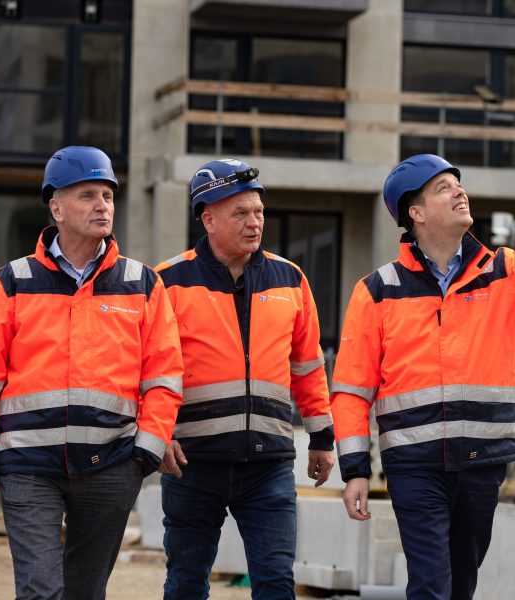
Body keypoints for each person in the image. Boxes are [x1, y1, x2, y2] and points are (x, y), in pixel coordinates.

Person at [331, 145, 515, 599]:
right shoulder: (377, 292)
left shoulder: (504, 273)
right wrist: (355, 469)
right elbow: (352, 391)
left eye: (458, 185)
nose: (460, 193)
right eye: (443, 188)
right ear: (414, 212)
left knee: (460, 587)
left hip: (482, 462)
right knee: (432, 585)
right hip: (414, 466)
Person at [0, 146, 184, 599]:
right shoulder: (11, 282)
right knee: (40, 590)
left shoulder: (142, 283)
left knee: (87, 592)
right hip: (28, 467)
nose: (102, 205)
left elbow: (164, 376)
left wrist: (143, 455)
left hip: (111, 466)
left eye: (107, 195)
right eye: (87, 195)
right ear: (56, 207)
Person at [155, 158, 335, 600]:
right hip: (192, 461)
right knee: (185, 583)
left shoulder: (290, 279)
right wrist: (157, 435)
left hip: (268, 463)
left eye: (258, 212)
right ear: (208, 218)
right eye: (241, 213)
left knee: (275, 583)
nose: (255, 222)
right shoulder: (166, 282)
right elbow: (146, 370)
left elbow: (307, 366)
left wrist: (322, 438)